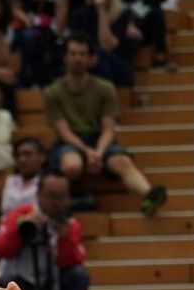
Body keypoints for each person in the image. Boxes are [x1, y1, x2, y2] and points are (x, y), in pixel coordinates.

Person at [44, 33, 168, 214]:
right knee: (72, 165)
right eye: (73, 54)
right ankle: (63, 203)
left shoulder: (105, 88)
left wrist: (99, 153)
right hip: (69, 142)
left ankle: (148, 195)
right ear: (65, 57)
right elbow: (63, 131)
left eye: (82, 54)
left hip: (99, 138)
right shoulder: (52, 92)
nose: (77, 58)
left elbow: (108, 128)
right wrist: (88, 152)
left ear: (91, 59)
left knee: (122, 161)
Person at [0, 170, 91, 290]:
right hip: (22, 283)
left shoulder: (69, 223)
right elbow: (1, 249)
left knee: (80, 275)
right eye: (51, 196)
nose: (56, 202)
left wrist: (64, 237)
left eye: (61, 197)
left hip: (53, 287)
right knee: (8, 280)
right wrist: (19, 231)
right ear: (38, 194)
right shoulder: (20, 215)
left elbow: (71, 262)